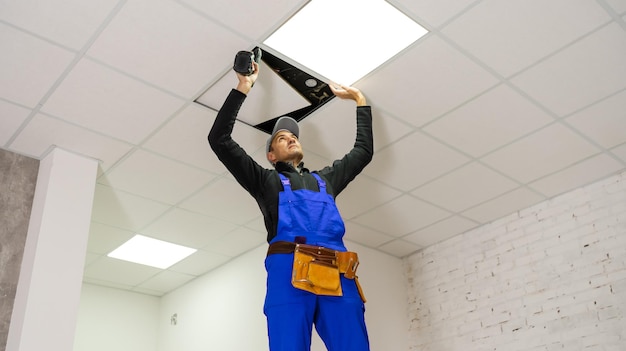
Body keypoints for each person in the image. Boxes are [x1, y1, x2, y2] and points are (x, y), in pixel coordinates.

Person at [208, 58, 373, 351]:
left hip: (337, 269)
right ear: (272, 155)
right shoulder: (265, 181)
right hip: (288, 268)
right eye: (282, 138)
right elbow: (219, 139)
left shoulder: (327, 180)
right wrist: (243, 87)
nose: (291, 138)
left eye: (293, 135)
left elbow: (362, 152)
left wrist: (360, 101)